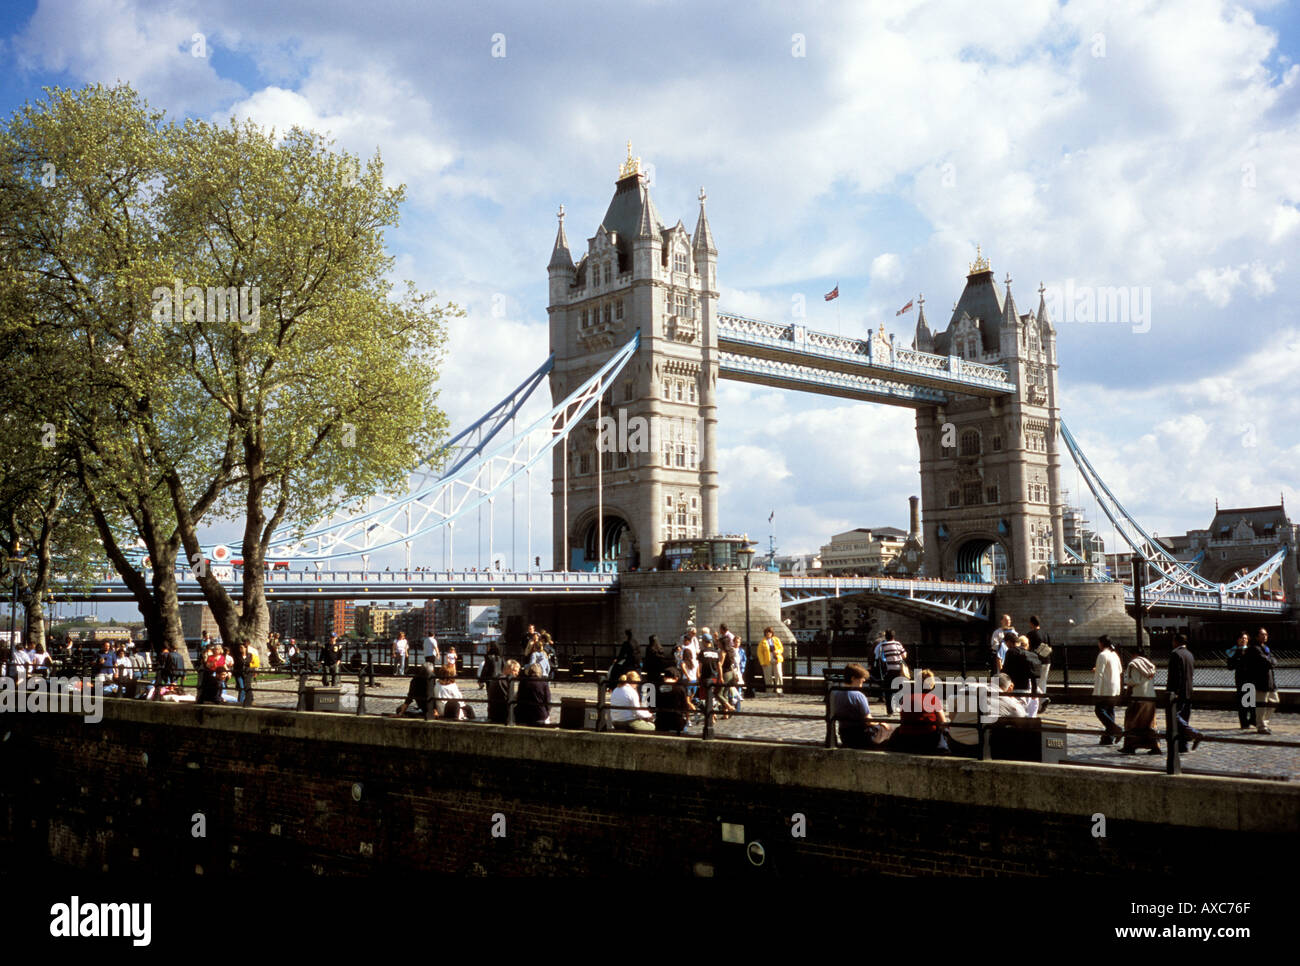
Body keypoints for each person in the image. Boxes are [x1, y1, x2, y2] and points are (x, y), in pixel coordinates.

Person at [887, 668, 948, 755]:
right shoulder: (933, 699)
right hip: (928, 738)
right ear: (931, 684)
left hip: (907, 738)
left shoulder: (906, 698)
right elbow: (943, 722)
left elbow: (903, 718)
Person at [829, 663, 890, 749]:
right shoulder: (858, 696)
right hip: (862, 737)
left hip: (845, 736)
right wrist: (881, 723)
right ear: (853, 678)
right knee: (890, 729)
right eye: (861, 677)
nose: (864, 680)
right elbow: (869, 721)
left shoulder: (834, 693)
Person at [1166, 633, 1202, 753]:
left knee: (1174, 716)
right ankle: (1183, 745)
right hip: (1188, 692)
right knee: (1184, 718)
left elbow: (1176, 676)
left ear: (1176, 641)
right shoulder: (1190, 654)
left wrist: (1173, 691)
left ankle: (1193, 732)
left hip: (1178, 693)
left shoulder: (1175, 654)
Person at [1120, 649, 1161, 754]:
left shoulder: (1133, 664)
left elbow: (1135, 681)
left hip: (1137, 697)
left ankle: (1130, 746)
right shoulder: (1149, 665)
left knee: (1132, 722)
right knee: (1149, 723)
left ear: (1134, 654)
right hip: (1150, 697)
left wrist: (1125, 680)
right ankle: (1155, 746)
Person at [1242, 631, 1279, 736]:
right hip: (1260, 681)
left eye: (1266, 634)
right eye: (1262, 634)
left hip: (1270, 681)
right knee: (1261, 705)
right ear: (1257, 636)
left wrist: (1271, 661)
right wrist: (1271, 661)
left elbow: (1274, 661)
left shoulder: (1265, 648)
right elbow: (1267, 662)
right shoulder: (1254, 649)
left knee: (1275, 701)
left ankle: (1264, 723)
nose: (1265, 636)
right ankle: (1261, 725)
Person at [1092, 635, 1124, 744]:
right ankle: (1109, 738)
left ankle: (1116, 729)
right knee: (1110, 710)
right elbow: (1120, 670)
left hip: (1105, 687)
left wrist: (1096, 692)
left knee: (1099, 710)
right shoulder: (1114, 654)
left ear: (1101, 643)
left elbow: (1099, 675)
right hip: (1115, 687)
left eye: (1099, 643)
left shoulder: (1102, 655)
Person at [1225, 631, 1254, 730]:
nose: (1243, 640)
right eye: (1241, 638)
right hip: (1241, 679)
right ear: (1237, 640)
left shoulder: (1252, 650)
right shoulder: (1233, 652)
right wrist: (1237, 657)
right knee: (1243, 702)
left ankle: (1252, 720)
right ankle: (1244, 723)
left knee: (1252, 701)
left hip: (1251, 678)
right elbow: (1230, 666)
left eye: (1245, 638)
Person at [875, 629, 908, 714]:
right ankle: (902, 710)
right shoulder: (897, 644)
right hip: (899, 671)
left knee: (888, 691)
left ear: (886, 636)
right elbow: (904, 655)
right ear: (893, 636)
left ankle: (889, 711)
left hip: (888, 670)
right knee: (901, 690)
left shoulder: (882, 645)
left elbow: (878, 656)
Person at [654, 667, 695, 735]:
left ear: (664, 677)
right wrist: (687, 719)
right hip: (676, 722)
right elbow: (685, 707)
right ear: (676, 678)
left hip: (660, 722)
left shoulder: (656, 687)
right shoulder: (680, 689)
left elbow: (652, 707)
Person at [514, 662, 552, 726]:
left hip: (524, 715)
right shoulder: (543, 683)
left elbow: (519, 698)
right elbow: (548, 701)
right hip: (540, 715)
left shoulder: (523, 682)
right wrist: (547, 712)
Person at [486, 659, 519, 724]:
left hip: (493, 713)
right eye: (515, 671)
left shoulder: (497, 678)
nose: (517, 674)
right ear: (508, 669)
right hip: (501, 714)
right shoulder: (503, 680)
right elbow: (509, 698)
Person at [1026, 615, 1052, 696]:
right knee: (1043, 682)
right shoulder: (1045, 633)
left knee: (1035, 683)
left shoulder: (1030, 634)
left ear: (1031, 623)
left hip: (1036, 662)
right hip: (1047, 660)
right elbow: (1050, 646)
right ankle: (1043, 699)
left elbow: (1028, 648)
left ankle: (1039, 702)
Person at [756, 627, 784, 694]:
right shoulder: (762, 642)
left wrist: (777, 651)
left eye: (770, 632)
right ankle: (769, 691)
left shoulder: (776, 640)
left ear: (772, 633)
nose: (768, 633)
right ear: (765, 633)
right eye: (767, 632)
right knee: (768, 676)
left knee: (778, 674)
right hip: (767, 660)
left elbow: (781, 648)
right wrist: (762, 662)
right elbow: (759, 653)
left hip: (776, 658)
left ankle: (779, 690)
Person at [232, 640, 255, 707]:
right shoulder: (237, 656)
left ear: (245, 648)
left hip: (247, 674)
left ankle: (249, 699)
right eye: (240, 648)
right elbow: (235, 665)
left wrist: (252, 670)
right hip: (239, 674)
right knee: (242, 688)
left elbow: (252, 664)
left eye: (242, 647)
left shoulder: (250, 655)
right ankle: (240, 702)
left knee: (247, 687)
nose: (240, 649)